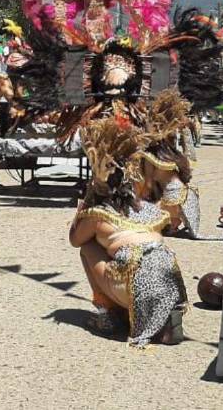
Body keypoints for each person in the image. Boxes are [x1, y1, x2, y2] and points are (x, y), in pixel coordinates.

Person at [69, 117, 187, 347]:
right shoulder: (147, 207)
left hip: (135, 276)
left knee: (88, 247)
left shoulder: (99, 213)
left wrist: (87, 197)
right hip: (170, 279)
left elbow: (74, 239)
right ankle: (162, 314)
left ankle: (108, 314)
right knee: (132, 254)